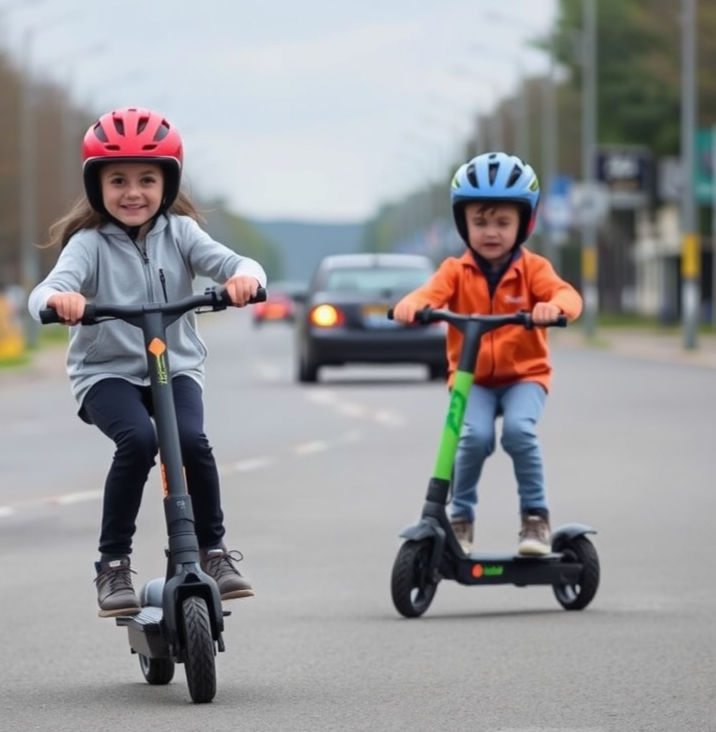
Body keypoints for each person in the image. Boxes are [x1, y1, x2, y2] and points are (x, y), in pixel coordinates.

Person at [28, 107, 267, 617]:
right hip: (106, 373)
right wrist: (60, 302)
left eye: (145, 179)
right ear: (97, 187)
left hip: (173, 365)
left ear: (167, 182)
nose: (132, 192)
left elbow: (237, 265)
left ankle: (214, 552)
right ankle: (112, 565)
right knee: (139, 441)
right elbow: (45, 291)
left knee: (190, 441)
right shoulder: (87, 245)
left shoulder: (181, 233)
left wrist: (244, 279)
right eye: (117, 180)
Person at [392, 151, 582, 556]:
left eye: (502, 222)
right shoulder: (454, 271)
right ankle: (460, 519)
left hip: (524, 376)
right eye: (480, 221)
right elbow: (430, 293)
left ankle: (535, 518)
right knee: (472, 438)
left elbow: (567, 295)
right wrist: (413, 304)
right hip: (471, 377)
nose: (490, 231)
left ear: (523, 224)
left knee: (518, 432)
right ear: (463, 224)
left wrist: (555, 309)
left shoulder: (533, 269)